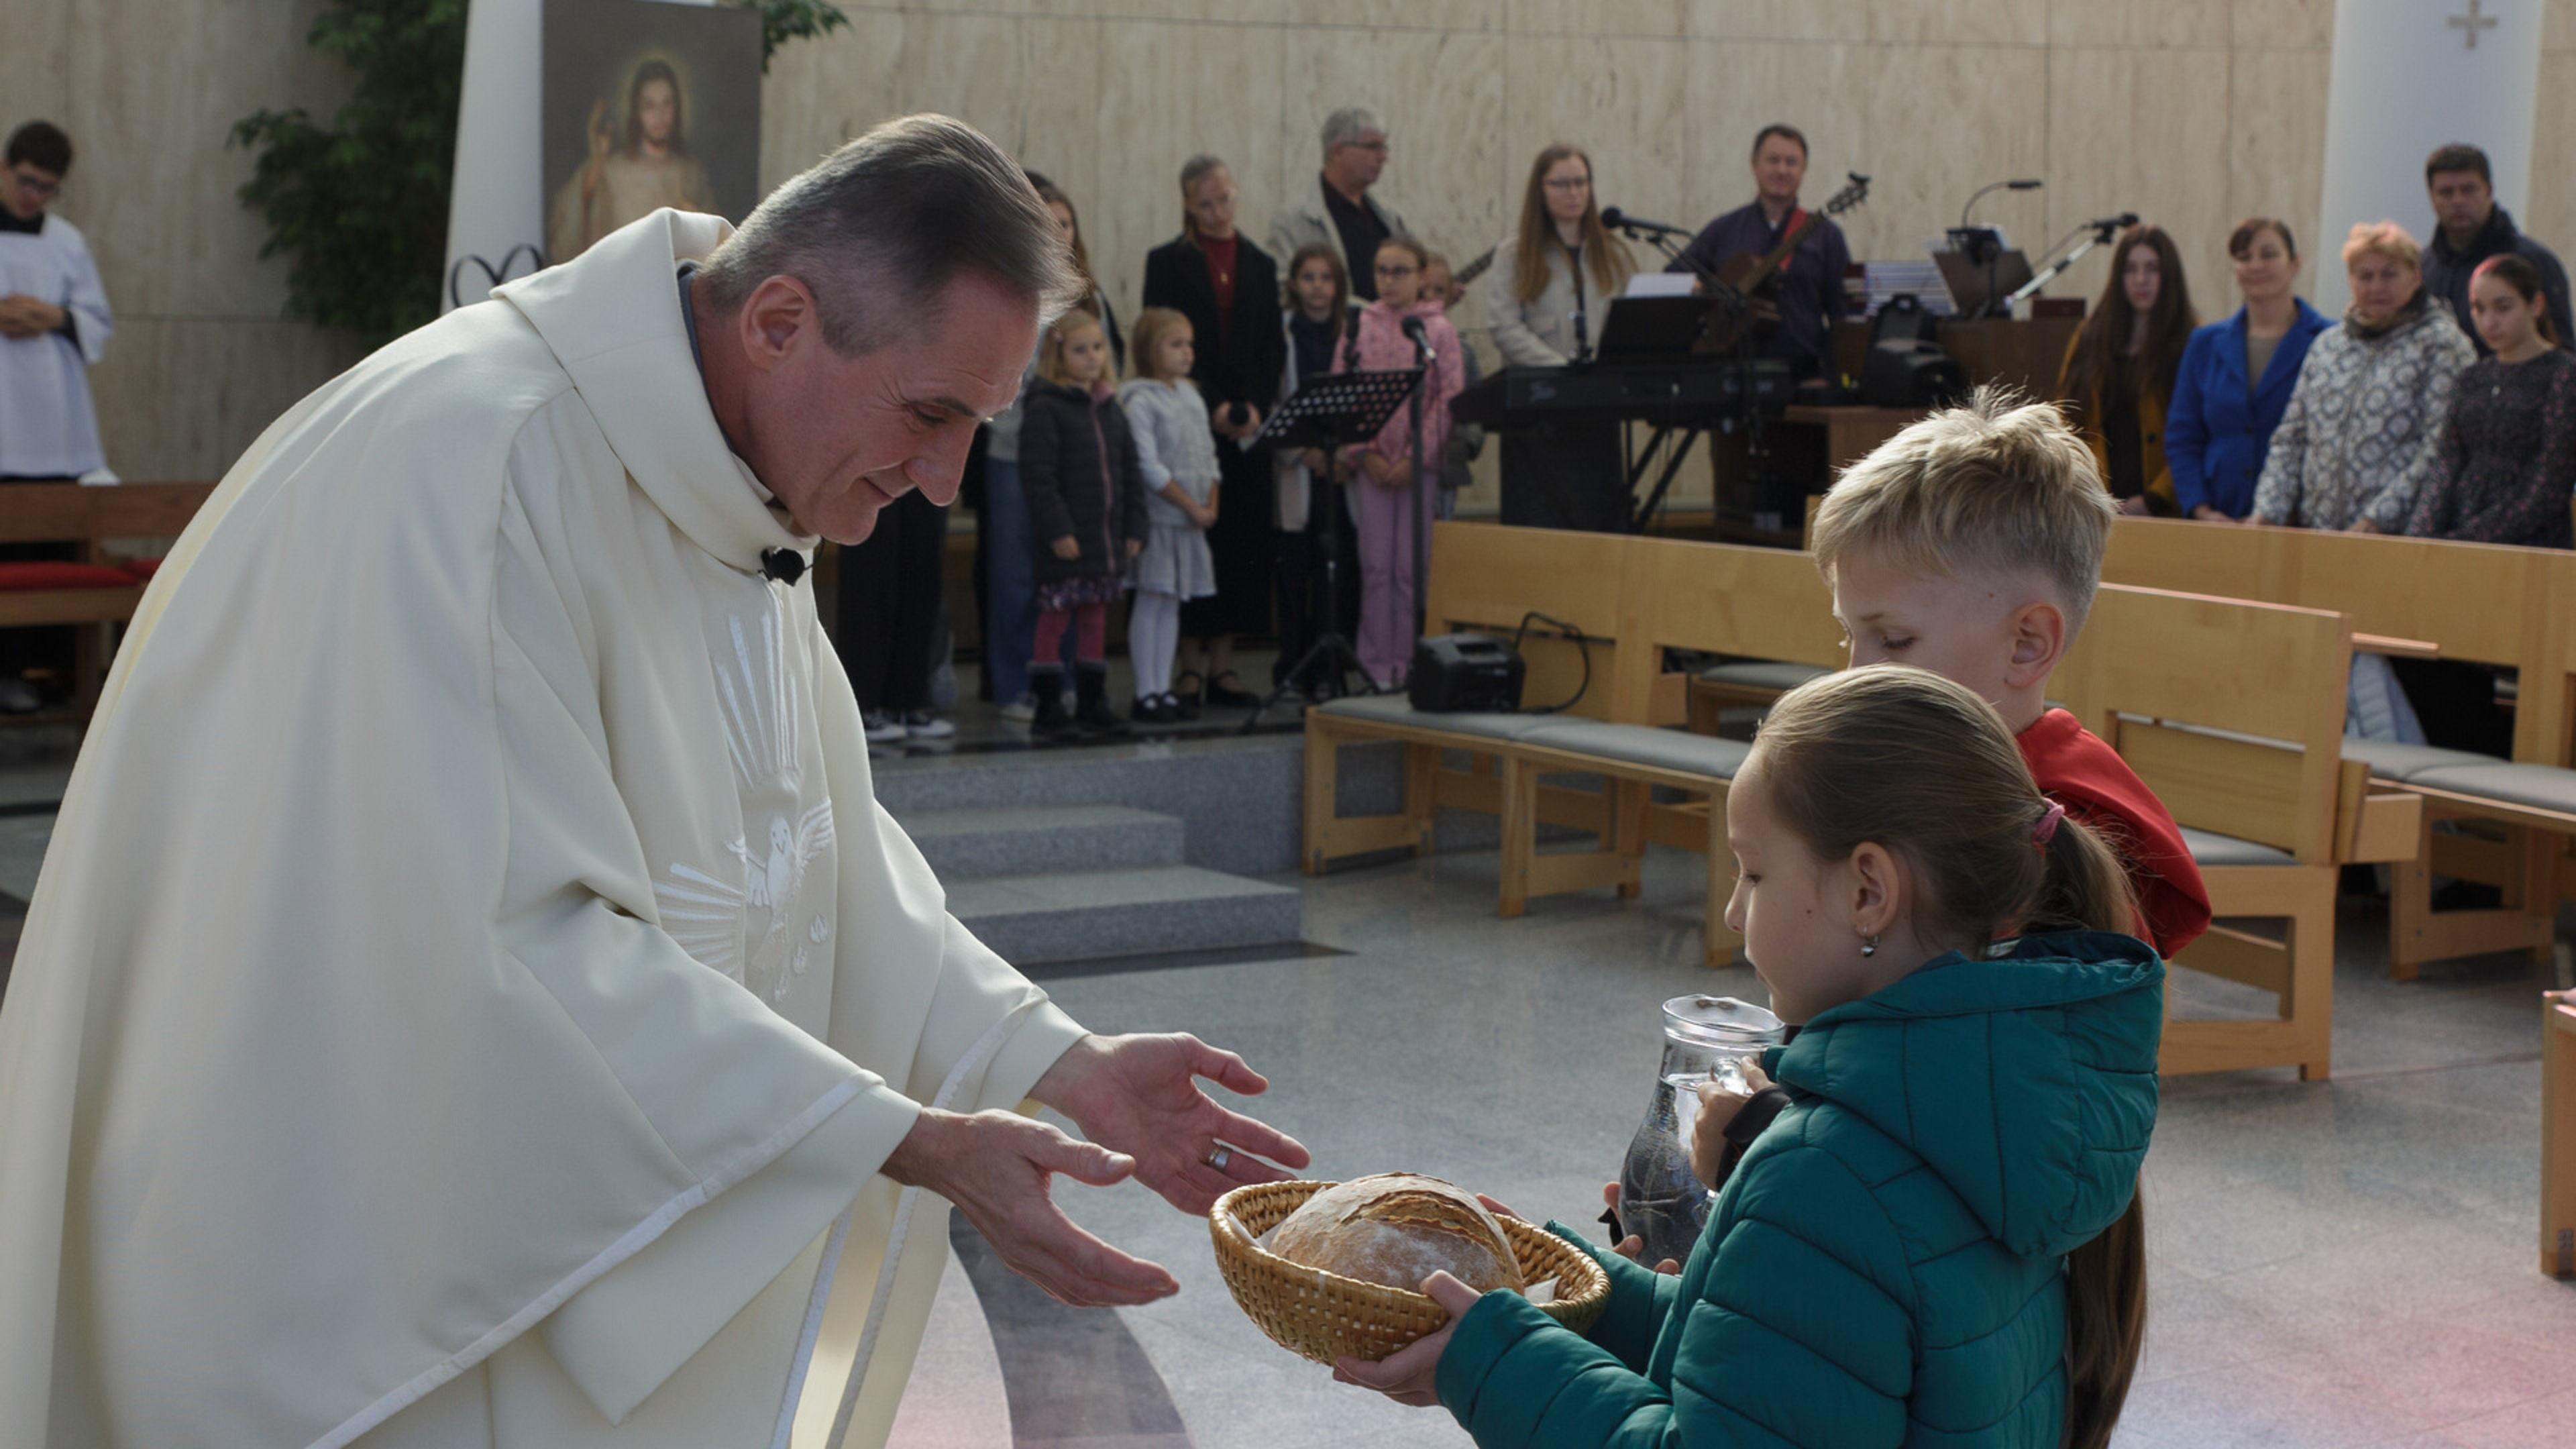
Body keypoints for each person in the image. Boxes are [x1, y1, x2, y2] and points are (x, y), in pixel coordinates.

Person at [0, 117, 1314, 1449]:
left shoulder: (726, 483)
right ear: (780, 322)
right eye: (930, 415)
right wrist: (910, 1140)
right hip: (363, 1289)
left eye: (978, 428)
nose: (942, 481)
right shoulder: (476, 476)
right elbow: (498, 958)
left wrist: (1058, 1062)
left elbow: (807, 856)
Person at [1339, 664, 2159, 1449]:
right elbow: (1788, 1369)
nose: (1734, 912)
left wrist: (1491, 1362)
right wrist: (1577, 1290)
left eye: (1754, 873)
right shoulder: (2001, 1111)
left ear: (1868, 891)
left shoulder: (1824, 1176)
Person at [1808, 391, 2212, 961]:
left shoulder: (2062, 841)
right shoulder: (1907, 764)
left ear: (2026, 646)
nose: (1855, 675)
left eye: (1895, 641)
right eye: (1849, 636)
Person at [1141, 155, 1284, 711]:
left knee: (1240, 547)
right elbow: (1159, 340)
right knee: (1192, 543)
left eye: (1225, 200)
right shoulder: (1167, 262)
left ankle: (1224, 665)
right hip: (1188, 417)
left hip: (1244, 427)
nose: (1219, 212)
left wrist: (1248, 406)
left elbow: (1271, 344)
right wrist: (1212, 402)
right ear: (1187, 204)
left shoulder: (1261, 263)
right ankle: (1189, 669)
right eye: (1206, 204)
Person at [2252, 221, 2477, 533]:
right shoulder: (2328, 345)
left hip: (2398, 536)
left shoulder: (2443, 345)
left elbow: (2441, 448)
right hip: (2320, 534)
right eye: (2365, 276)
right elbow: (2291, 438)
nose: (2376, 287)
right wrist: (2267, 511)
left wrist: (2377, 519)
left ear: (2416, 277)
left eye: (2389, 274)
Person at [1334, 235, 1464, 687]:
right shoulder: (1359, 326)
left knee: (1411, 569)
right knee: (1375, 567)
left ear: (1422, 276)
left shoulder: (1438, 331)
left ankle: (1409, 662)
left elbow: (1448, 397)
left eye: (1400, 272)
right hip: (1372, 464)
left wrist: (1415, 454)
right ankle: (1374, 665)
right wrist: (1364, 450)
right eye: (1382, 272)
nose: (1389, 281)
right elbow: (1343, 389)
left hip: (1416, 468)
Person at [1485, 143, 1635, 531]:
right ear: (1541, 190)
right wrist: (1560, 370)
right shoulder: (1514, 253)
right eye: (1562, 184)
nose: (1574, 193)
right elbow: (1504, 326)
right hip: (1539, 412)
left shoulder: (1613, 253)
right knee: (1542, 522)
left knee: (1600, 518)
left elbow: (1628, 320)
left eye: (1581, 183)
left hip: (1598, 408)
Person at [1021, 307, 1148, 740]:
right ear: (1057, 356)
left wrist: (1134, 527)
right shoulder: (1045, 407)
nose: (1093, 357)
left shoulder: (1110, 407)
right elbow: (1039, 478)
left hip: (1104, 539)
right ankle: (1048, 705)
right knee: (1055, 618)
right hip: (1067, 540)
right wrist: (1058, 530)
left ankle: (1093, 701)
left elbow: (1130, 472)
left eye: (1098, 347)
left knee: (1095, 619)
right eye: (1080, 350)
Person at [2166, 217, 2333, 521]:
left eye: (2268, 254)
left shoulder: (2328, 341)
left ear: (2295, 264)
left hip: (2298, 523)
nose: (2256, 265)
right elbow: (2182, 436)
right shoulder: (2204, 343)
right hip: (2218, 519)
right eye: (2245, 257)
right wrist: (2201, 509)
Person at [2405, 254, 2576, 548]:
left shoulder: (2562, 374)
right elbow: (2447, 462)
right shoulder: (2472, 377)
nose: (2489, 322)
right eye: (2479, 308)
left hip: (2530, 544)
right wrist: (2421, 533)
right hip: (2460, 528)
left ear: (2535, 305)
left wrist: (2472, 539)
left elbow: (2550, 480)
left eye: (2503, 307)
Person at [1668, 123, 1851, 381]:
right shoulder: (1725, 229)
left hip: (1803, 377)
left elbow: (1842, 314)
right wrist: (1706, 291)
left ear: (1803, 170)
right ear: (1755, 166)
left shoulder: (1826, 236)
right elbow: (1674, 277)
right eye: (1773, 160)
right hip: (1731, 375)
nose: (1782, 170)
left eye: (1791, 162)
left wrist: (1830, 377)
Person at [1118, 307, 1220, 723]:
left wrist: (1210, 502)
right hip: (1160, 517)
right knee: (1152, 598)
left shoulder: (1192, 396)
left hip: (1189, 521)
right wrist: (1190, 505)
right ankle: (1146, 692)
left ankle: (1164, 689)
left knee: (1173, 602)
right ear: (1149, 350)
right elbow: (1148, 465)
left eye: (1189, 344)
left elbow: (1209, 457)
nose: (1187, 353)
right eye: (1176, 345)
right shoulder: (1139, 400)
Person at [2053, 224, 2198, 516]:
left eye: (2152, 269)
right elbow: (2066, 421)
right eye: (2131, 269)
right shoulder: (2089, 339)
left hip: (2166, 510)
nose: (2141, 280)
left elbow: (2196, 435)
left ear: (2169, 276)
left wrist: (2154, 499)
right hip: (2096, 507)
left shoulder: (2191, 343)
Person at [1271, 242, 1361, 695]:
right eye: (1308, 278)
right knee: (1295, 573)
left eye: (1326, 278)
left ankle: (1329, 665)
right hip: (1298, 470)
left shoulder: (1354, 332)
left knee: (1337, 571)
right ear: (1294, 283)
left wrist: (1345, 456)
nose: (1318, 288)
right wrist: (1301, 452)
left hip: (1341, 473)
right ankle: (1293, 664)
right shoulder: (1282, 333)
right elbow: (1274, 399)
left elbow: (1366, 399)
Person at [0, 120, 111, 482]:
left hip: (52, 409)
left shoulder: (67, 242)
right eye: (27, 181)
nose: (33, 195)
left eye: (47, 188)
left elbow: (97, 323)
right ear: (4, 167)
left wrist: (55, 317)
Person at [545, 60, 719, 264]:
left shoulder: (692, 173)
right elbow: (574, 234)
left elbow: (717, 247)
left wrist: (694, 223)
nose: (660, 115)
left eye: (667, 103)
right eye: (650, 106)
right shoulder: (613, 171)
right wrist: (597, 162)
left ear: (677, 107)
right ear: (637, 112)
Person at [2419, 142, 2575, 360]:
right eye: (2446, 193)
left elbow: (2562, 353)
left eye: (2468, 190)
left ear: (2489, 191)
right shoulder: (2422, 267)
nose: (2458, 201)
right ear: (2432, 197)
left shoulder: (2532, 261)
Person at [837, 481, 953, 747]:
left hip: (922, 469)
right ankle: (862, 705)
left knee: (921, 574)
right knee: (871, 579)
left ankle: (904, 704)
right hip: (866, 469)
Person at [1268, 106, 1410, 303]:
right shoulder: (1292, 221)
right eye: (1373, 147)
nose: (1383, 158)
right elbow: (1283, 291)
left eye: (1384, 149)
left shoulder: (1390, 219)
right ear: (1338, 151)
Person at [1029, 171, 1124, 372]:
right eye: (1047, 223)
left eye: (1064, 224)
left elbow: (1109, 362)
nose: (1058, 233)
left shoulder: (1090, 293)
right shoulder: (1018, 289)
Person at [1417, 249, 1484, 521]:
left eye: (1440, 291)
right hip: (1404, 466)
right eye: (1423, 291)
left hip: (1447, 466)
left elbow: (1475, 405)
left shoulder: (1462, 350)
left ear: (1451, 296)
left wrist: (1468, 443)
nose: (1431, 298)